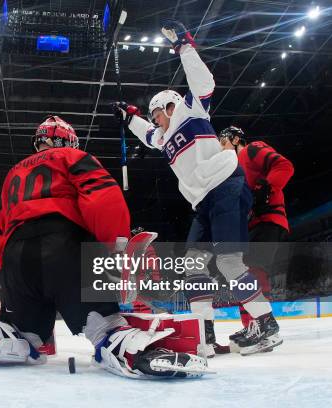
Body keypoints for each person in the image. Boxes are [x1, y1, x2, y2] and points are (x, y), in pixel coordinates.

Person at [0, 114, 208, 378]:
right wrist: (115, 249)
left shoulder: (13, 172)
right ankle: (134, 351)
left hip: (15, 261)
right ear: (69, 140)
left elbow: (1, 228)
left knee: (27, 338)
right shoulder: (74, 156)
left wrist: (7, 276)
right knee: (104, 327)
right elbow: (104, 198)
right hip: (65, 248)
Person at [111, 21, 281, 356]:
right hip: (203, 201)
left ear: (167, 107)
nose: (155, 119)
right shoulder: (162, 136)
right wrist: (129, 117)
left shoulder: (191, 110)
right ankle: (204, 333)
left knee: (230, 263)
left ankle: (266, 325)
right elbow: (147, 134)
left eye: (155, 113)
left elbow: (203, 82)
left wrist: (184, 46)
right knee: (193, 266)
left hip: (225, 186)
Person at [219, 126, 294, 345]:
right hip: (253, 226)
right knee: (244, 273)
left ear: (234, 139)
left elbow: (284, 165)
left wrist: (266, 187)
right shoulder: (234, 169)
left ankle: (262, 326)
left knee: (253, 270)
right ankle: (252, 325)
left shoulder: (251, 149)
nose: (221, 149)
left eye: (222, 143)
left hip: (268, 220)